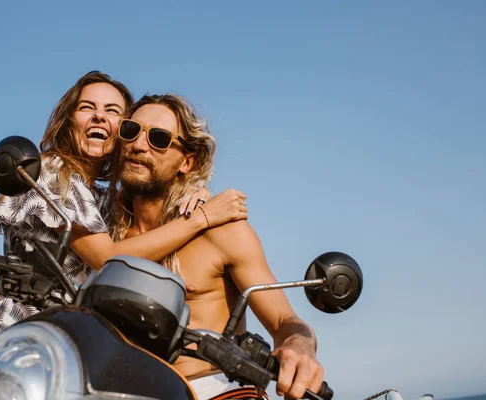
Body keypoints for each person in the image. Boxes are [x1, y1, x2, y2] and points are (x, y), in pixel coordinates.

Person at [0, 71, 248, 357]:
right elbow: (106, 258)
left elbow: (150, 211)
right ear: (68, 120)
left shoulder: (104, 200)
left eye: (112, 111)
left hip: (70, 344)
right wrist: (202, 219)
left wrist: (194, 191)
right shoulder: (53, 172)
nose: (99, 116)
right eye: (87, 107)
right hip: (23, 340)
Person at [106, 93, 323, 400]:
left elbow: (285, 322)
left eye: (159, 138)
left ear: (187, 162)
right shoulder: (104, 240)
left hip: (217, 391)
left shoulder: (222, 231)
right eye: (130, 131)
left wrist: (299, 347)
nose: (139, 145)